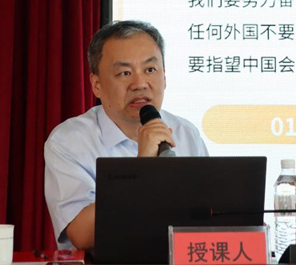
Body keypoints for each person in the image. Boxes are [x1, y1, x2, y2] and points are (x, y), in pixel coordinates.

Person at [44, 20, 209, 250]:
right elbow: (82, 235)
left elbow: (207, 218)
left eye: (150, 70)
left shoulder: (186, 133)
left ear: (164, 77)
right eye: (125, 73)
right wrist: (142, 168)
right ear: (97, 85)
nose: (140, 84)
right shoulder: (69, 141)